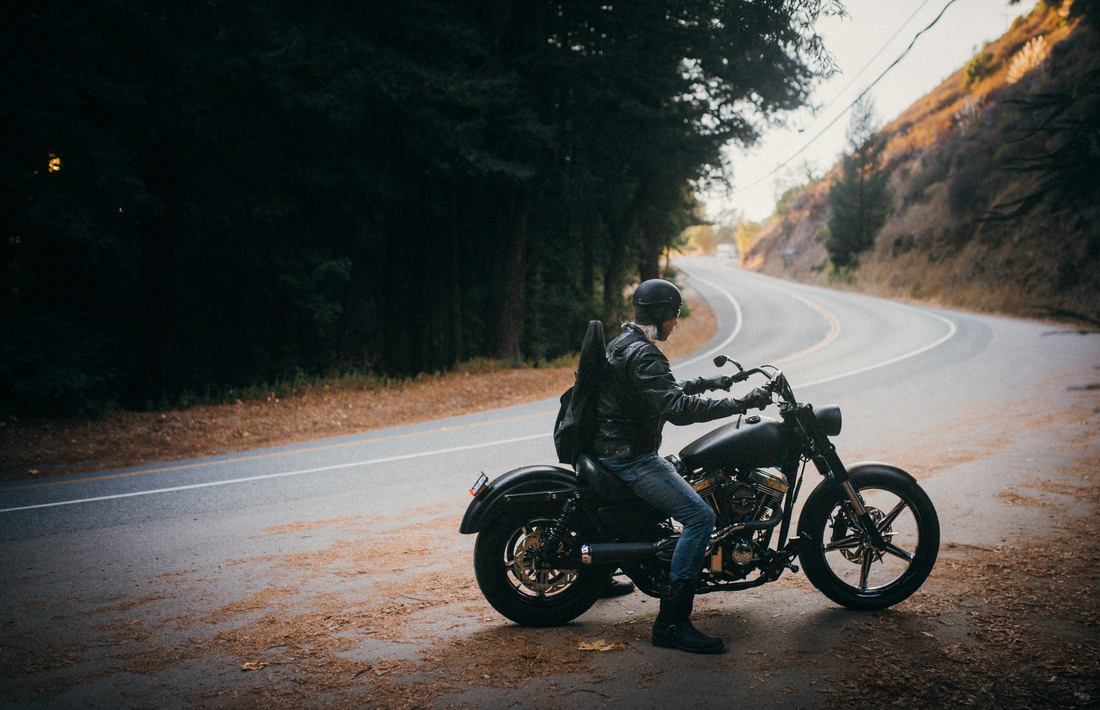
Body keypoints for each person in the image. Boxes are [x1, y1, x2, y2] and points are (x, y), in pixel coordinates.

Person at [593, 278, 771, 653]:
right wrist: (742, 403)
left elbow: (661, 389)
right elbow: (677, 409)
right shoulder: (644, 354)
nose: (675, 323)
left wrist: (718, 382)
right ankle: (671, 623)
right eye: (673, 315)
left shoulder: (625, 343)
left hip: (616, 447)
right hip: (631, 456)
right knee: (700, 517)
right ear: (658, 314)